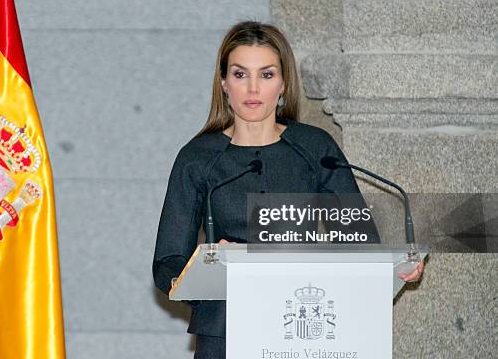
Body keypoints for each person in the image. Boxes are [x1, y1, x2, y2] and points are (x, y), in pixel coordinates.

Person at [152, 21, 424, 359]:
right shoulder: (197, 158)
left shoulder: (314, 148)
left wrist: (392, 268)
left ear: (282, 84)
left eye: (266, 75)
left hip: (302, 329)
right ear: (223, 83)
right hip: (225, 331)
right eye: (240, 74)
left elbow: (358, 241)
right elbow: (167, 263)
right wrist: (207, 270)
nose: (253, 88)